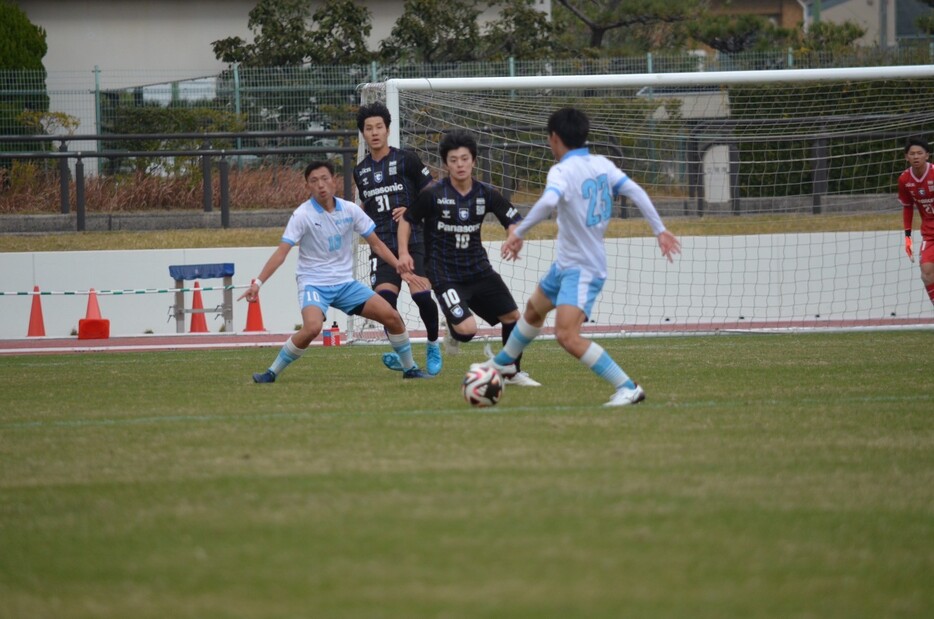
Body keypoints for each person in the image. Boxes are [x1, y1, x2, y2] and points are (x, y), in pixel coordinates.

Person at [478, 107, 681, 406]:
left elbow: (549, 201)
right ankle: (504, 364)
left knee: (567, 335)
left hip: (583, 269)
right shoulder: (602, 164)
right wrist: (660, 230)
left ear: (555, 138)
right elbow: (636, 191)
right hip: (566, 263)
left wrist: (517, 234)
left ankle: (628, 387)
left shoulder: (561, 170)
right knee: (534, 310)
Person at [241, 160, 431, 383]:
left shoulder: (350, 210)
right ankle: (271, 373)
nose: (320, 185)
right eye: (314, 181)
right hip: (313, 284)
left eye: (324, 179)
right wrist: (258, 283)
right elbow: (282, 252)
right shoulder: (302, 215)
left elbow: (377, 244)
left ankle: (410, 369)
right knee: (312, 327)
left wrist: (401, 268)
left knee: (392, 316)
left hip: (344, 285)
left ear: (334, 181)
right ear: (307, 187)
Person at [397, 129, 541, 387]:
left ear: (473, 161)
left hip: (479, 270)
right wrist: (404, 253)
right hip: (444, 273)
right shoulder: (433, 193)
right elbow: (406, 220)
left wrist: (512, 237)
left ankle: (511, 372)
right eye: (454, 160)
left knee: (514, 319)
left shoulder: (485, 192)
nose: (460, 164)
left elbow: (513, 219)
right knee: (467, 331)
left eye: (464, 159)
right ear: (446, 163)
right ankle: (454, 331)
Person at [353, 102, 443, 376]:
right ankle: (404, 356)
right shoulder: (361, 171)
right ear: (364, 134)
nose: (374, 132)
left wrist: (413, 209)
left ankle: (432, 344)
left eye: (379, 127)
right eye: (369, 128)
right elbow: (366, 208)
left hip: (414, 241)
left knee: (422, 296)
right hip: (382, 248)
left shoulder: (408, 159)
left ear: (388, 130)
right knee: (383, 306)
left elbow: (434, 194)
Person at [897, 136, 934, 310]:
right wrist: (908, 237)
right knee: (926, 273)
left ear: (927, 155)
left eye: (920, 153)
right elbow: (907, 207)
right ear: (906, 157)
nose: (916, 156)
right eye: (912, 154)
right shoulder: (904, 180)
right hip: (930, 233)